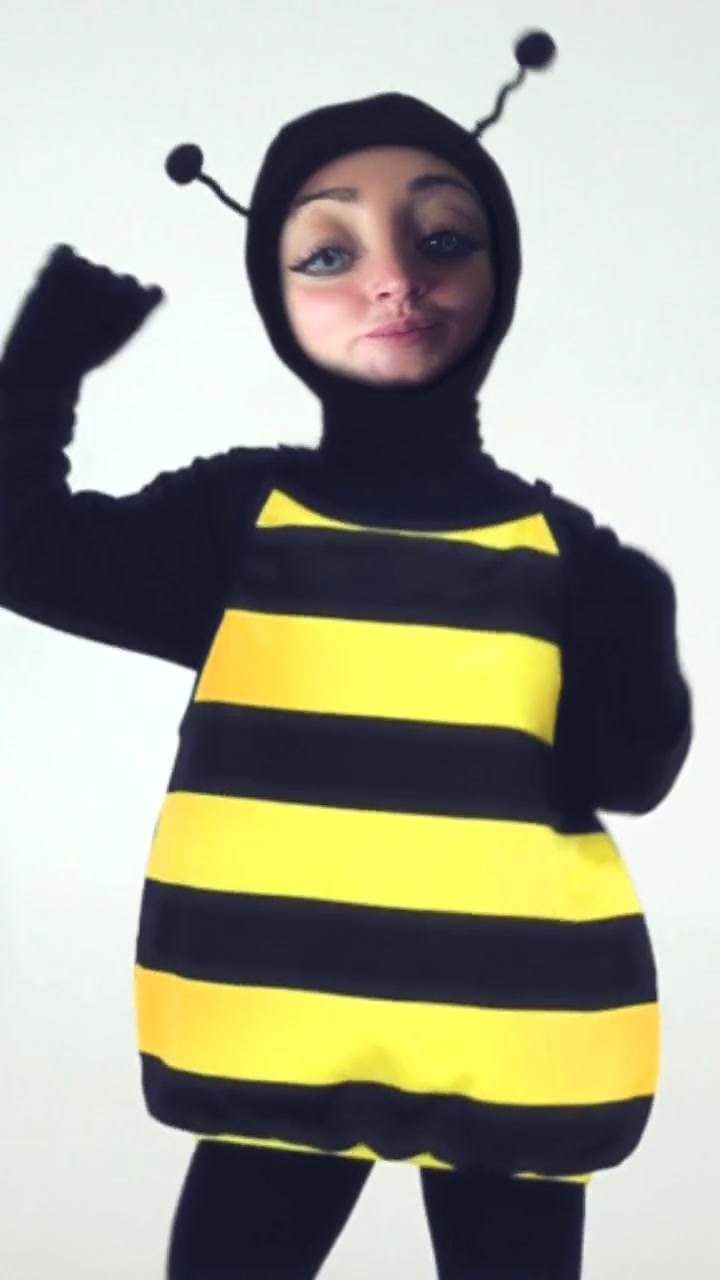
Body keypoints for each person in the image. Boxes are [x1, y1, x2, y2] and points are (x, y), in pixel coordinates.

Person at [0, 31, 692, 1280]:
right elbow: (22, 549)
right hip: (287, 1037)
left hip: (515, 1037)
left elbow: (630, 774)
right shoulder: (237, 522)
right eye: (331, 251)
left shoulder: (575, 559)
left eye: (443, 238)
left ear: (500, 270)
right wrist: (38, 371)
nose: (395, 282)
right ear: (274, 295)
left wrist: (637, 640)